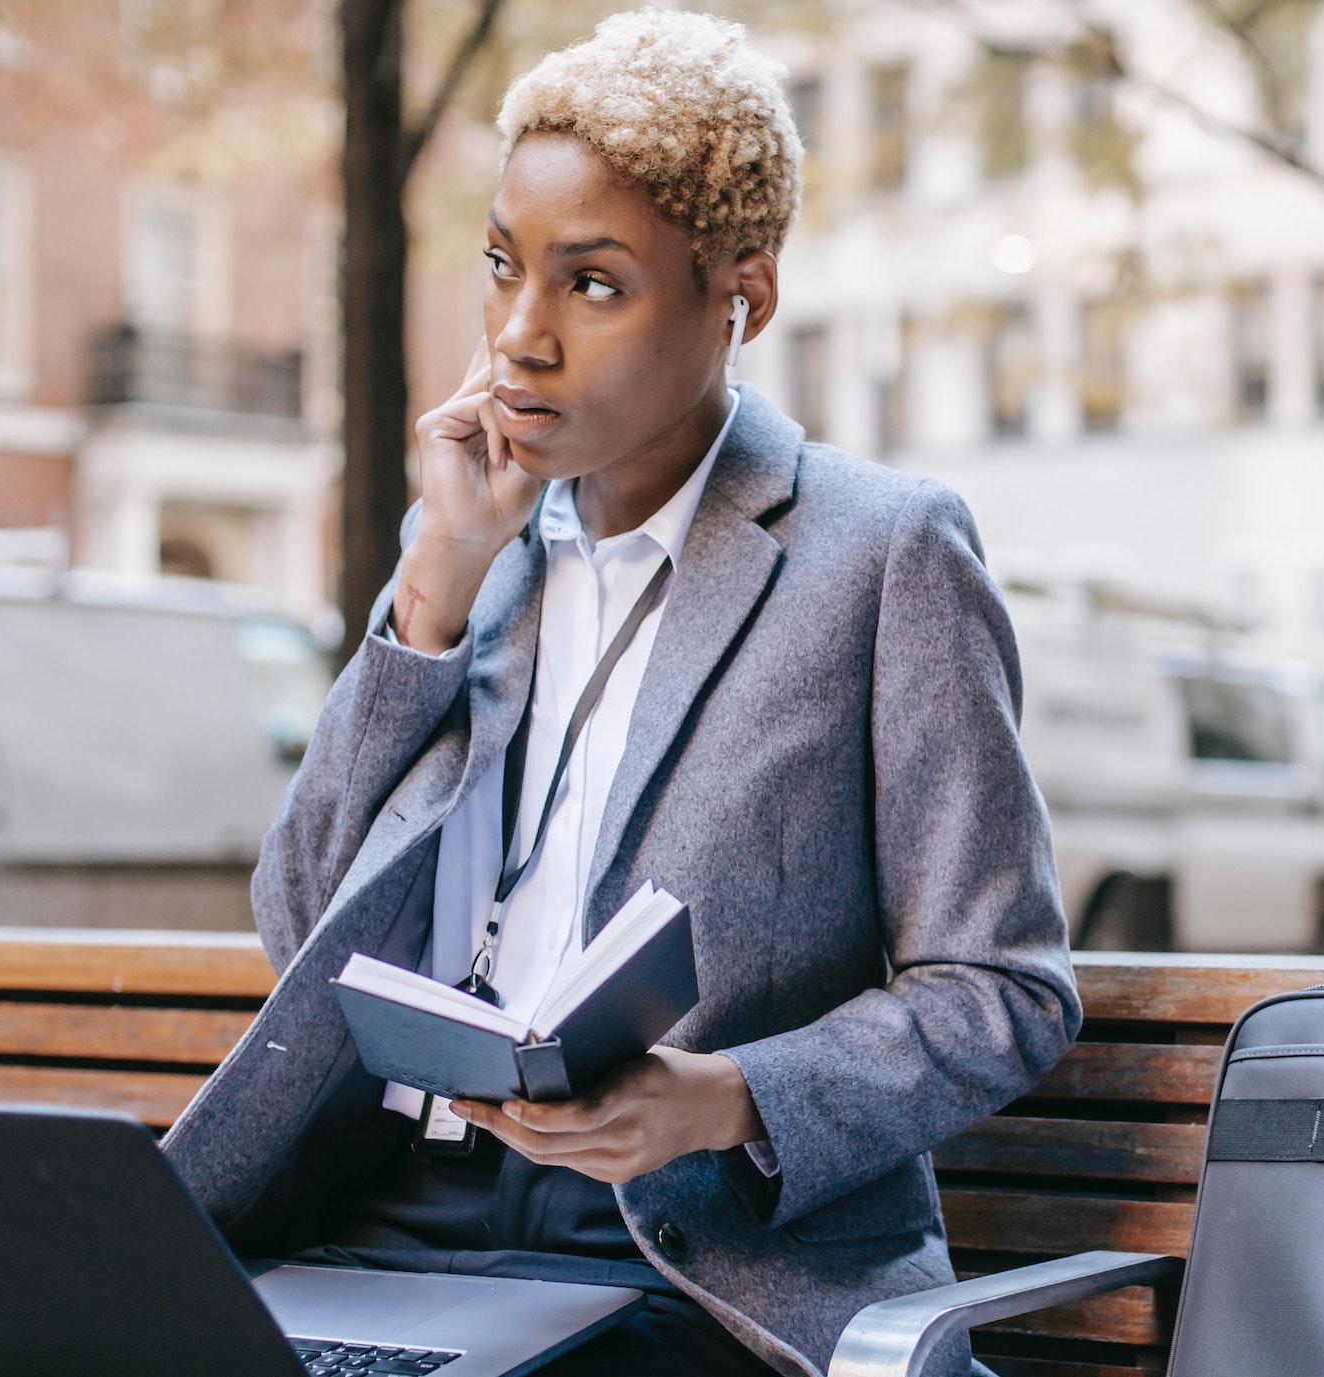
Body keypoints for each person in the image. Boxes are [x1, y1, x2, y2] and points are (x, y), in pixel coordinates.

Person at [159, 14, 1080, 1376]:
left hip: (689, 1265)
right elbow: (301, 925)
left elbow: (1003, 988)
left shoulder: (879, 554)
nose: (520, 337)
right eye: (502, 268)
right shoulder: (484, 559)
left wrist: (724, 1100)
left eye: (593, 285)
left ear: (739, 302)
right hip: (392, 1217)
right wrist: (432, 595)